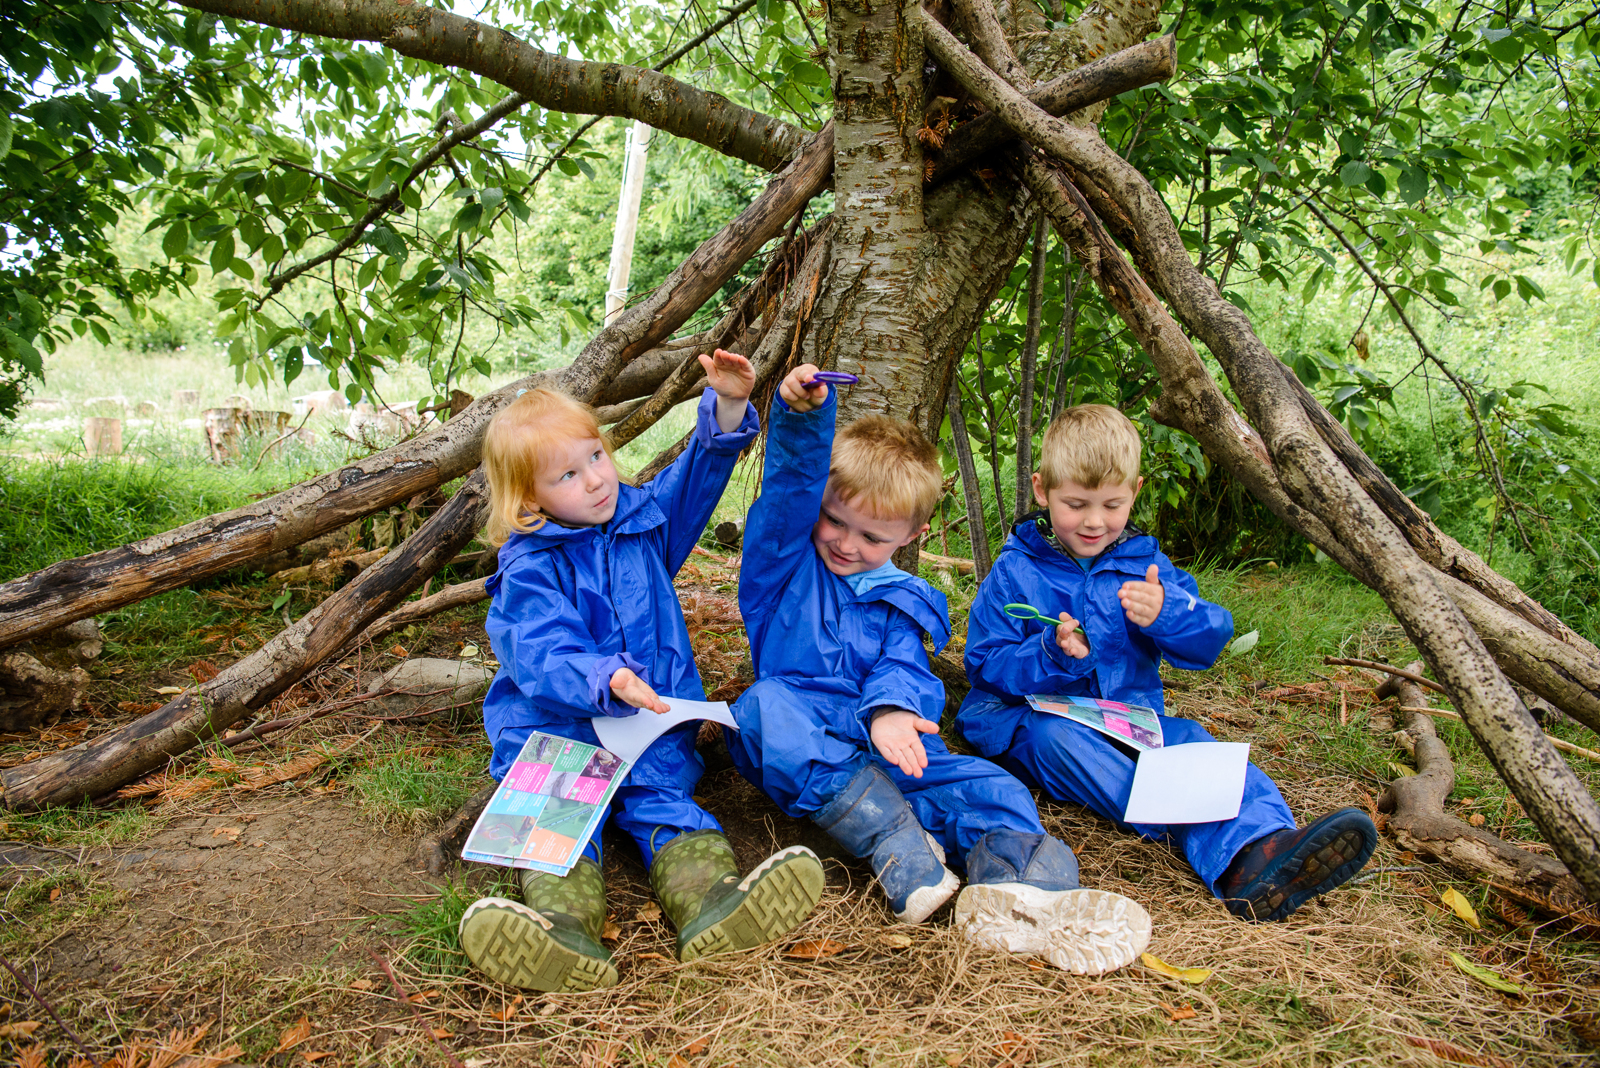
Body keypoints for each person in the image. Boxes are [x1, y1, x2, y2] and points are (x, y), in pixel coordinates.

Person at [725, 365, 1152, 975]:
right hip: (802, 743)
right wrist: (802, 418)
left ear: (912, 535)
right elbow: (787, 493)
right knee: (762, 705)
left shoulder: (904, 599)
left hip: (881, 746)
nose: (846, 543)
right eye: (836, 521)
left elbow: (905, 666)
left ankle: (1018, 884)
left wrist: (894, 712)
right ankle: (897, 846)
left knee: (995, 788)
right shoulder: (784, 570)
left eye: (872, 536)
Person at [458, 352, 825, 992]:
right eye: (567, 475)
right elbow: (541, 649)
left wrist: (730, 408)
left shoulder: (641, 523)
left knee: (666, 805)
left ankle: (713, 904)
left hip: (651, 724)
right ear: (527, 500)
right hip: (562, 731)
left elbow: (691, 483)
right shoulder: (528, 568)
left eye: (595, 456)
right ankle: (562, 934)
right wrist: (607, 678)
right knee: (556, 824)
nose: (596, 480)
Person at [958, 404, 1377, 922]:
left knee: (1197, 745)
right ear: (1043, 492)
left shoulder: (1145, 564)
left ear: (1134, 492)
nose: (1094, 521)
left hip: (1128, 714)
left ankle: (1267, 848)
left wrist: (1167, 615)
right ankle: (1207, 836)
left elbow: (1209, 638)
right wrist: (1048, 652)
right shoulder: (1015, 569)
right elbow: (983, 663)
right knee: (1058, 741)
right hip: (1031, 719)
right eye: (1076, 504)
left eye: (1112, 504)